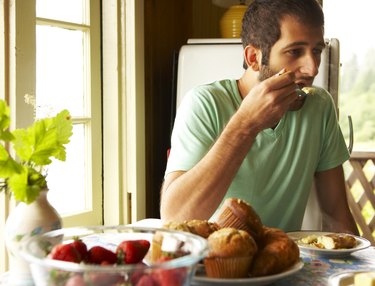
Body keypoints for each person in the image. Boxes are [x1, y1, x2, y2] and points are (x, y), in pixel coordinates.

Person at [160, 0, 358, 234]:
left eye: (316, 51)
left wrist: (363, 268)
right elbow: (174, 217)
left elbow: (337, 214)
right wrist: (246, 124)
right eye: (295, 52)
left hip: (285, 263)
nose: (312, 68)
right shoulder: (204, 103)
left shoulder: (319, 107)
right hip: (212, 263)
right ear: (253, 57)